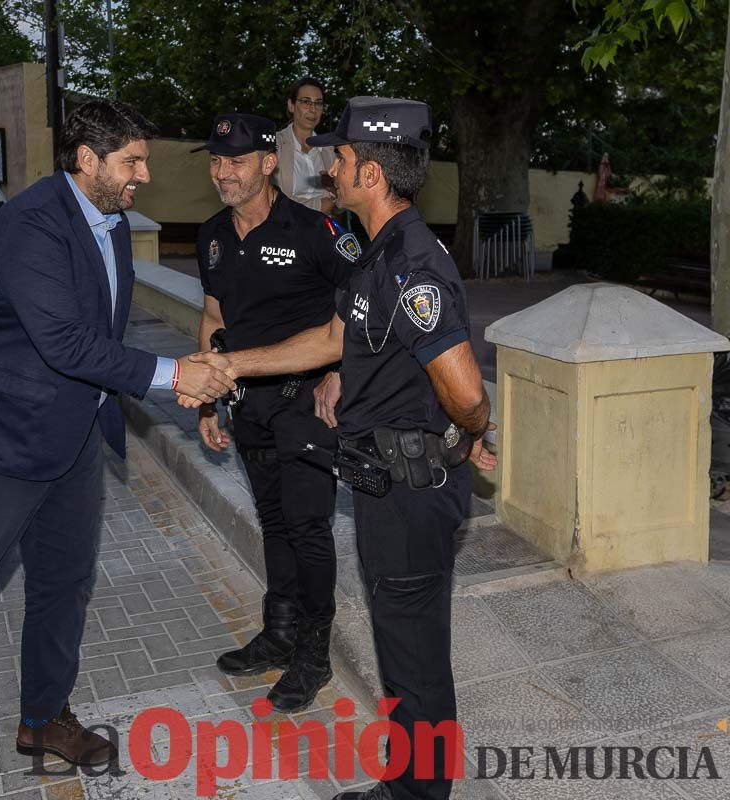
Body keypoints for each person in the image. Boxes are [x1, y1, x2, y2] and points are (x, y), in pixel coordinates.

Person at [0, 100, 239, 799]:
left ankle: (44, 719)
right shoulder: (30, 224)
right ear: (87, 161)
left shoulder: (108, 223)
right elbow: (67, 343)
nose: (143, 173)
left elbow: (99, 335)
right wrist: (175, 376)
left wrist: (168, 383)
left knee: (63, 585)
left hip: (72, 434)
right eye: (131, 161)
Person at [185, 97, 498, 800]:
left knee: (414, 656)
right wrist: (232, 367)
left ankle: (417, 792)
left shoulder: (408, 264)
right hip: (389, 481)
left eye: (345, 158)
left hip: (412, 490)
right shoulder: (380, 254)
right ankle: (410, 780)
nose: (332, 167)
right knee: (402, 647)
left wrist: (473, 431)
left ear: (375, 175)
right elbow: (332, 340)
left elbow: (467, 389)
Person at [191, 112, 360, 713]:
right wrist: (209, 397)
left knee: (309, 527)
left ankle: (314, 652)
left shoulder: (319, 231)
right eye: (215, 160)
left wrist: (340, 374)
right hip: (247, 405)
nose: (222, 172)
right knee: (274, 520)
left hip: (308, 403)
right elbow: (215, 320)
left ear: (268, 164)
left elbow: (360, 314)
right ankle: (280, 632)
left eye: (235, 161)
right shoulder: (211, 234)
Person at [274, 78, 337, 214]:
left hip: (323, 230)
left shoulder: (328, 149)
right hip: (284, 230)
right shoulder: (275, 144)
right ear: (291, 105)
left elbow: (341, 204)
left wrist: (335, 192)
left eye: (318, 103)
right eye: (306, 102)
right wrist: (321, 205)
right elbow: (273, 201)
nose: (313, 109)